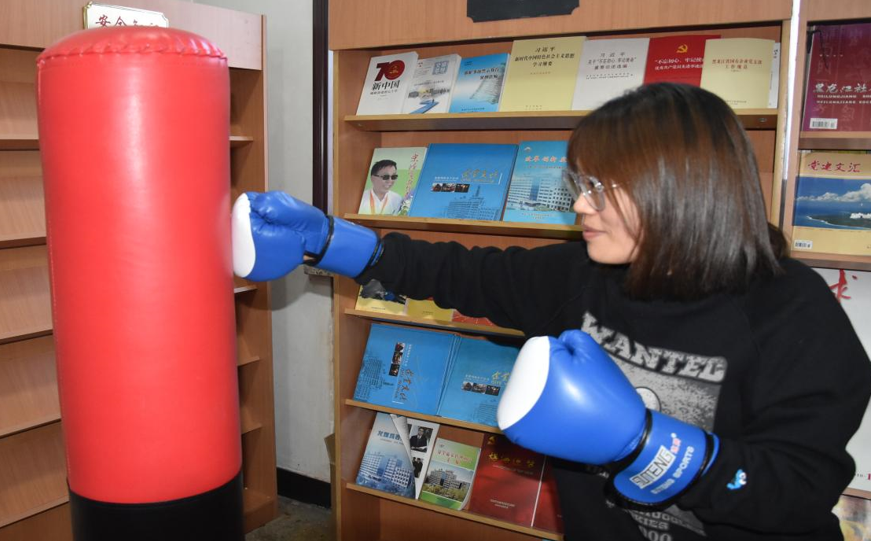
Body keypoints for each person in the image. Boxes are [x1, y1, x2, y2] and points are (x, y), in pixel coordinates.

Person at [231, 83, 871, 541]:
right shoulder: (583, 275)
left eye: (600, 188)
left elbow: (800, 489)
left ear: (679, 187)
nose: (581, 206)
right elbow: (460, 272)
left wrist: (647, 446)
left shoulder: (792, 311)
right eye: (578, 186)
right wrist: (330, 240)